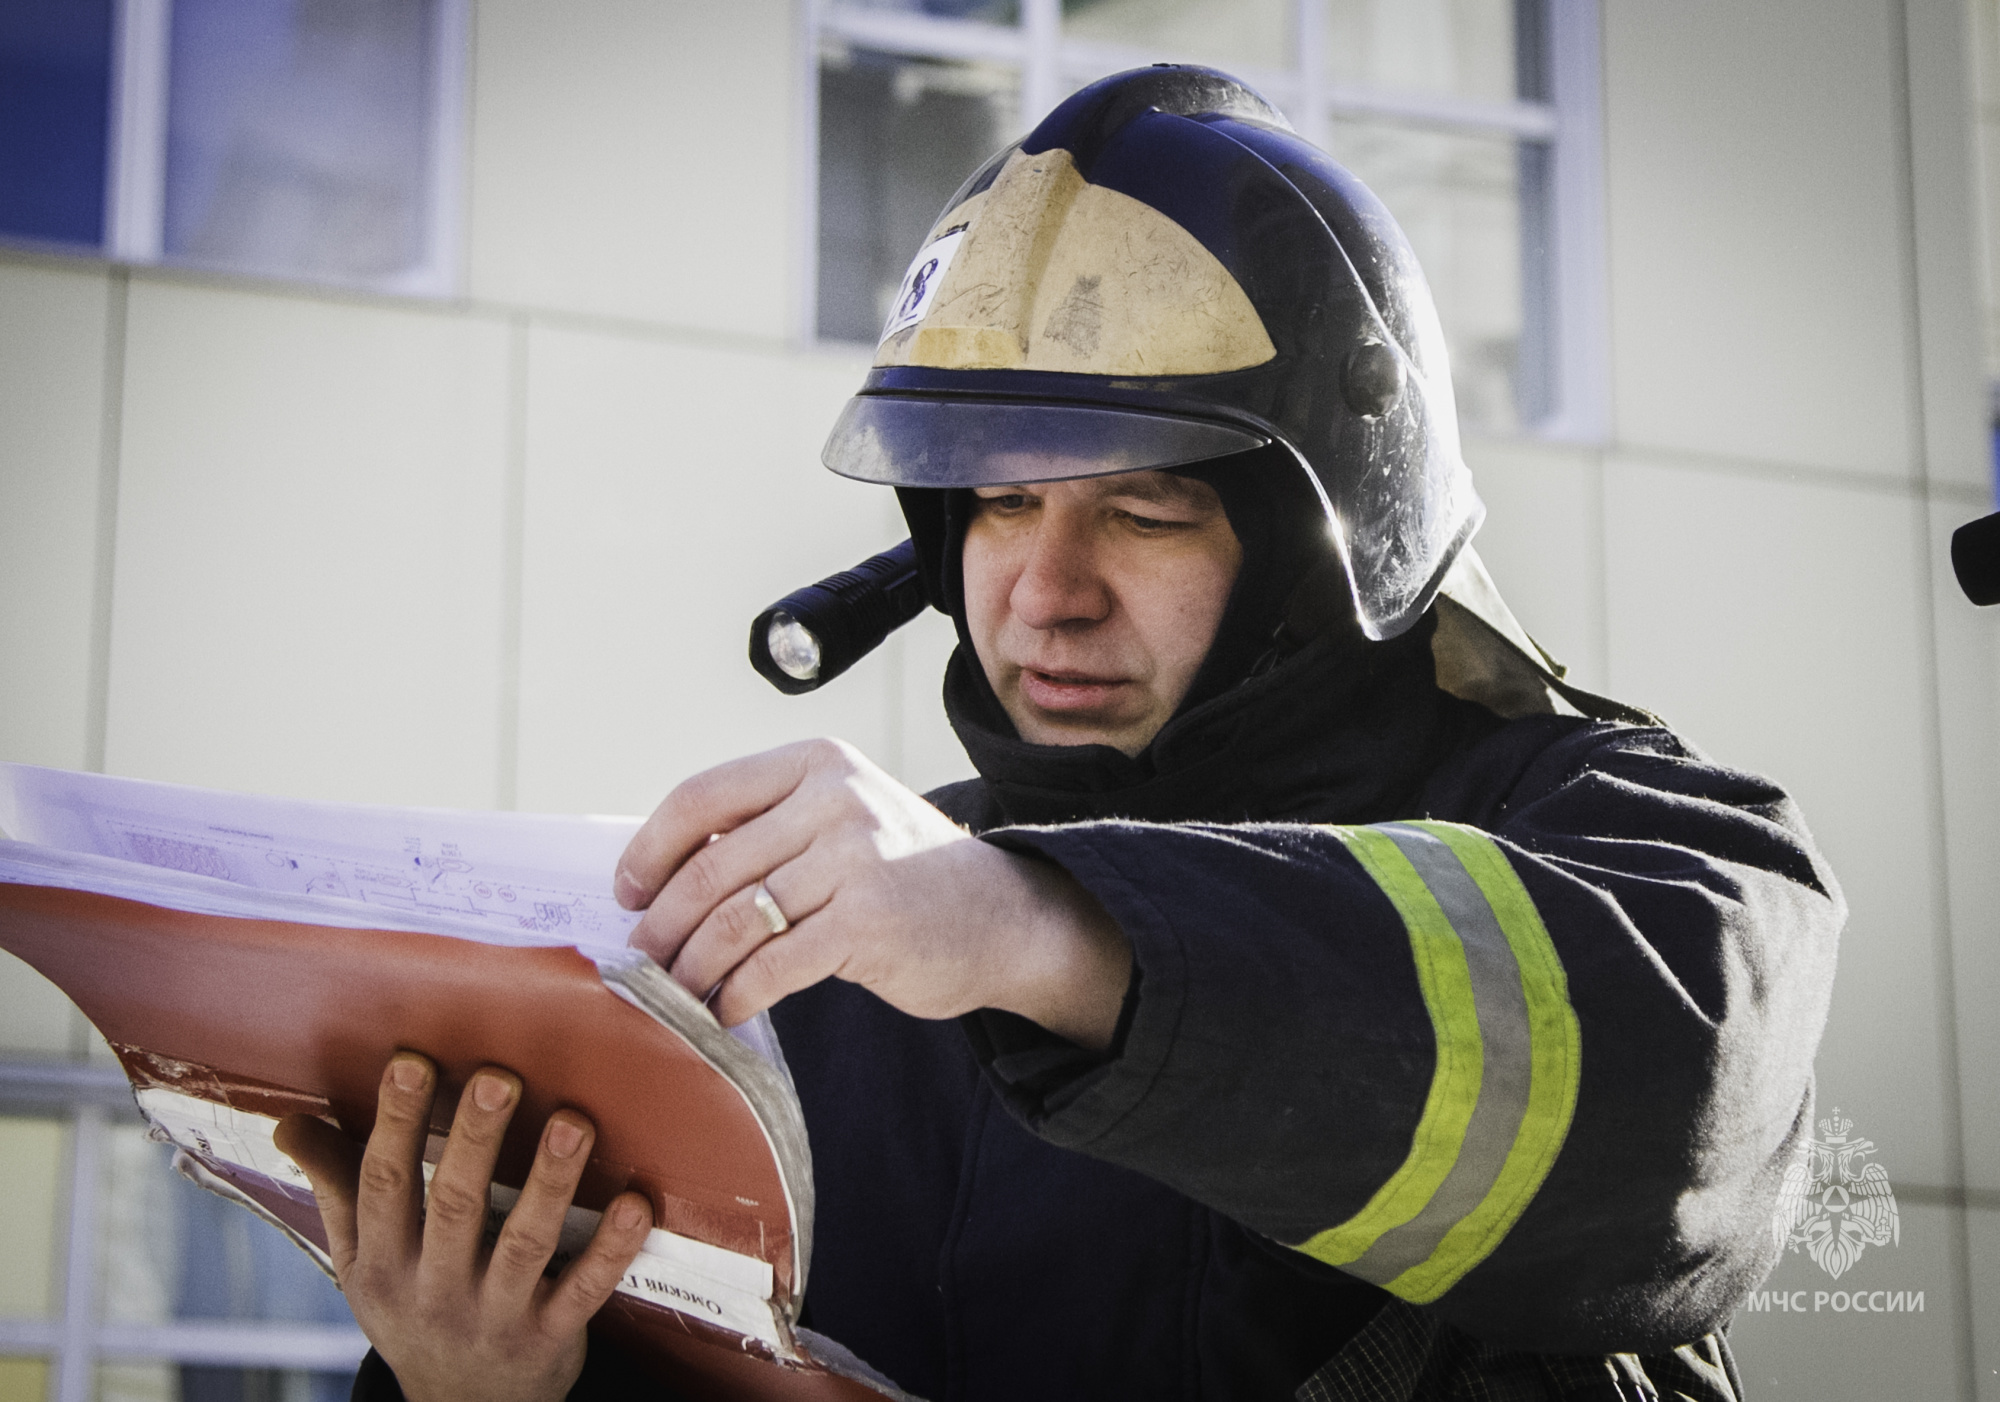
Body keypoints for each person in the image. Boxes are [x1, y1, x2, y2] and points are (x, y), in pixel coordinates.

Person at [277, 67, 1842, 1402]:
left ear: (1318, 552)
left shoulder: (1595, 825)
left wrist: (1036, 925)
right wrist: (480, 1381)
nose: (1042, 591)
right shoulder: (810, 960)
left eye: (1144, 508)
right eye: (1001, 505)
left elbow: (1692, 1115)